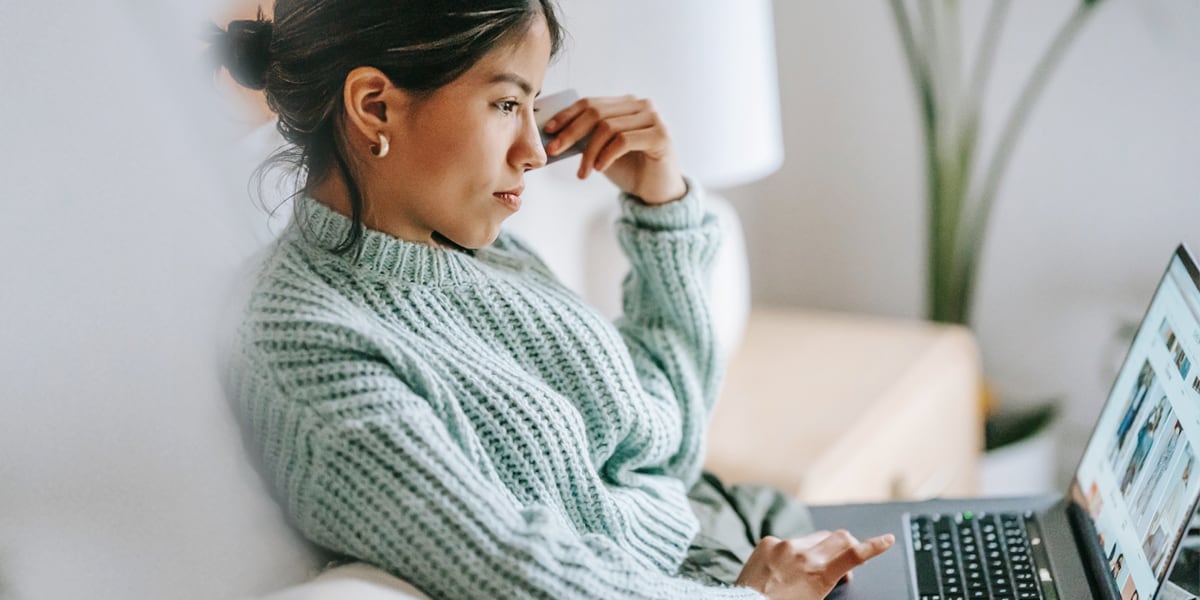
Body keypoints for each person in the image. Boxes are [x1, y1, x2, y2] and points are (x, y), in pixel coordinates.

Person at [211, 1, 894, 599]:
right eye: (507, 104)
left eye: (532, 105)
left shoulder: (467, 247)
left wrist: (662, 207)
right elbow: (509, 569)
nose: (535, 151)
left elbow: (663, 442)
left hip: (729, 532)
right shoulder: (301, 340)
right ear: (374, 106)